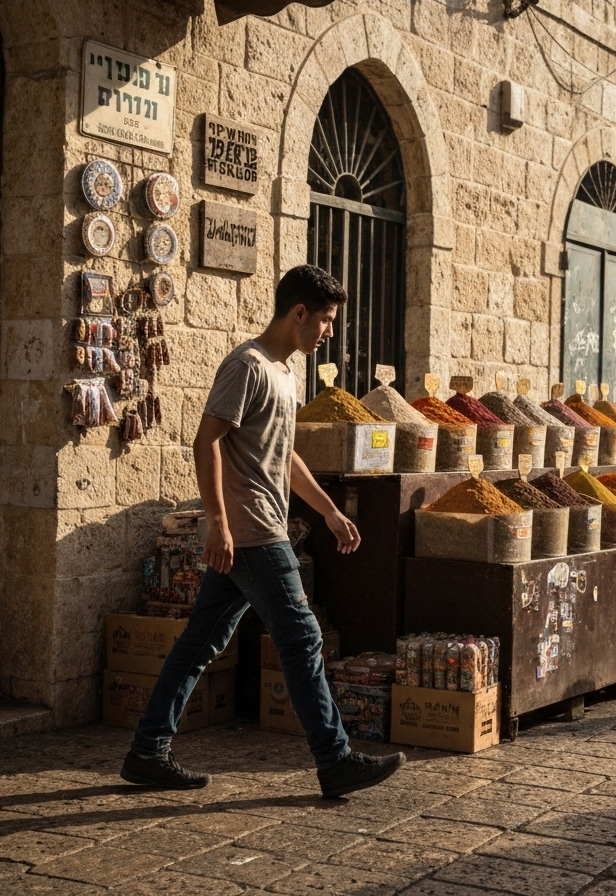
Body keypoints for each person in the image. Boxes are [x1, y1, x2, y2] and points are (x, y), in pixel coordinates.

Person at [120, 265, 405, 797]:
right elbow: (206, 441)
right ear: (299, 313)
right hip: (252, 531)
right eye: (325, 320)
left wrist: (326, 511)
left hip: (260, 528)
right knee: (302, 637)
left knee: (199, 645)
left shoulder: (285, 372)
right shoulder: (246, 365)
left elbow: (285, 456)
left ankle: (146, 751)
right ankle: (335, 759)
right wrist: (217, 521)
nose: (329, 332)